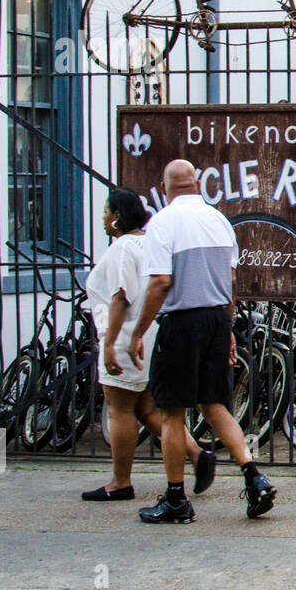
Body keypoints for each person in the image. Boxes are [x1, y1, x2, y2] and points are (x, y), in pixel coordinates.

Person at [129, 160, 277, 523]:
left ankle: (176, 498)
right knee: (215, 405)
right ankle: (253, 476)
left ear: (165, 187)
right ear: (197, 184)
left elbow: (161, 282)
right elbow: (231, 282)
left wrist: (137, 331)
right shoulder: (219, 221)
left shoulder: (163, 223)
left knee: (172, 413)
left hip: (182, 323)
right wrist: (227, 327)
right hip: (215, 318)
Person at [81, 188, 215, 502]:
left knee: (120, 409)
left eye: (105, 212)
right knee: (148, 408)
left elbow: (120, 297)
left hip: (127, 336)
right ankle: (196, 453)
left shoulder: (122, 249)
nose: (102, 218)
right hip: (153, 335)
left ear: (116, 217)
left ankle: (120, 481)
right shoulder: (154, 244)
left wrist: (111, 343)